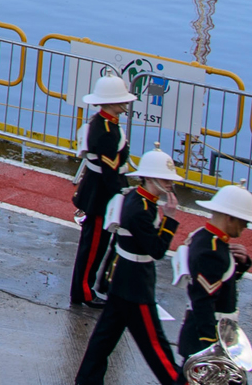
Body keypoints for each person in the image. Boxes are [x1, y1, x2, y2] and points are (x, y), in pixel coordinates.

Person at [73, 149, 184, 385]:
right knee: (155, 346)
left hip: (121, 279)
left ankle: (86, 381)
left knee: (103, 340)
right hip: (135, 284)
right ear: (149, 178)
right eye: (165, 179)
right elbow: (156, 250)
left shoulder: (136, 197)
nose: (170, 184)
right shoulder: (141, 209)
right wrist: (170, 220)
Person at [70, 73, 134, 308]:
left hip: (99, 189)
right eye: (120, 100)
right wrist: (120, 193)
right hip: (100, 194)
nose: (124, 104)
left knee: (96, 244)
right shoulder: (106, 130)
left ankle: (86, 288)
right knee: (93, 246)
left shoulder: (106, 124)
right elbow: (110, 170)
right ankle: (84, 292)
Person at [176, 185, 252, 364]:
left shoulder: (208, 239)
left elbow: (220, 283)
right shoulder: (211, 251)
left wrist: (240, 266)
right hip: (208, 338)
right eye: (243, 221)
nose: (246, 226)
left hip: (218, 335)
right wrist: (211, 349)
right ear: (230, 218)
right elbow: (203, 301)